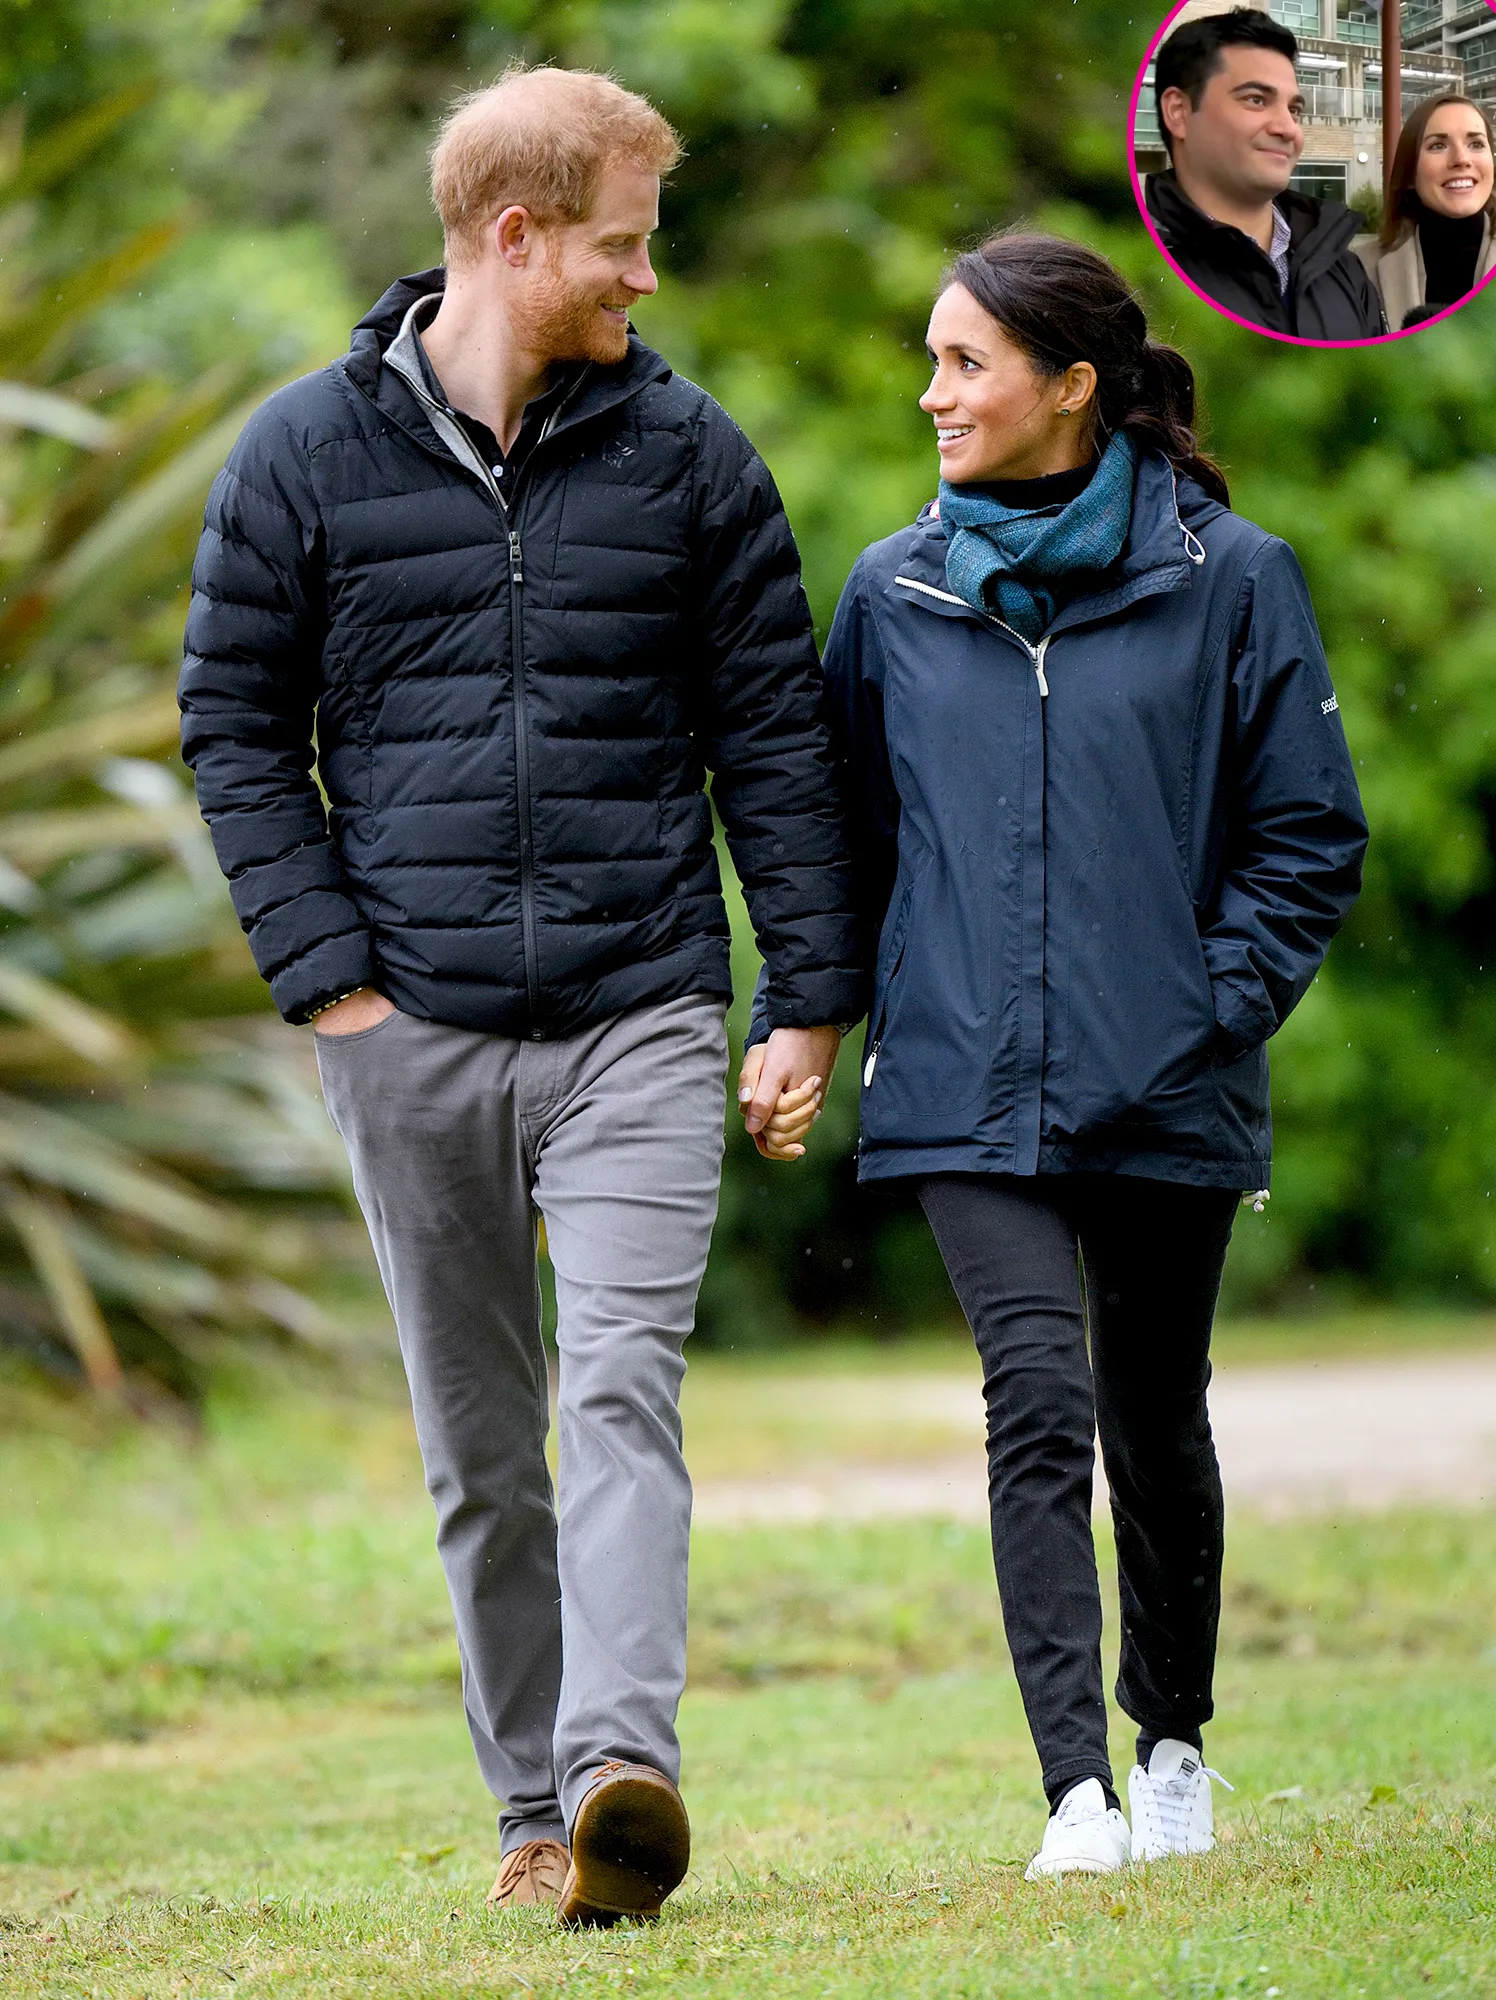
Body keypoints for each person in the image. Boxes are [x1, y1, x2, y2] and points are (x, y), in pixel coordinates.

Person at [180, 64, 861, 1927]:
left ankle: (620, 1768)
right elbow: (233, 727)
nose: (647, 284)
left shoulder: (694, 457)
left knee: (621, 1390)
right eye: (624, 249)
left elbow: (772, 742)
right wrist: (330, 988)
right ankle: (529, 1814)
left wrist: (806, 995)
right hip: (408, 1029)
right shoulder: (301, 458)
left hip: (640, 1008)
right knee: (484, 1454)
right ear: (515, 235)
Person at [743, 232, 1367, 1879]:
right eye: (932, 359)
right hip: (957, 1086)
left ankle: (1172, 1745)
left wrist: (1208, 1010)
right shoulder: (894, 593)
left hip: (1167, 1082)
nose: (931, 392)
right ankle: (1073, 1794)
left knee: (1154, 1417)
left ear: (1069, 386)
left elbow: (1307, 836)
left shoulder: (1233, 579)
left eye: (965, 362)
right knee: (1037, 1401)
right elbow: (838, 848)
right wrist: (799, 1019)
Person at [1143, 7, 1385, 340]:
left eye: (1294, 109)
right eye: (1256, 100)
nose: (1288, 129)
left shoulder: (1342, 266)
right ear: (1179, 112)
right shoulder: (1142, 274)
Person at [1354, 94, 1496, 331]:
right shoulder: (1358, 268)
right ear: (1410, 174)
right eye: (1438, 145)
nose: (1461, 159)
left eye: (1476, 144)